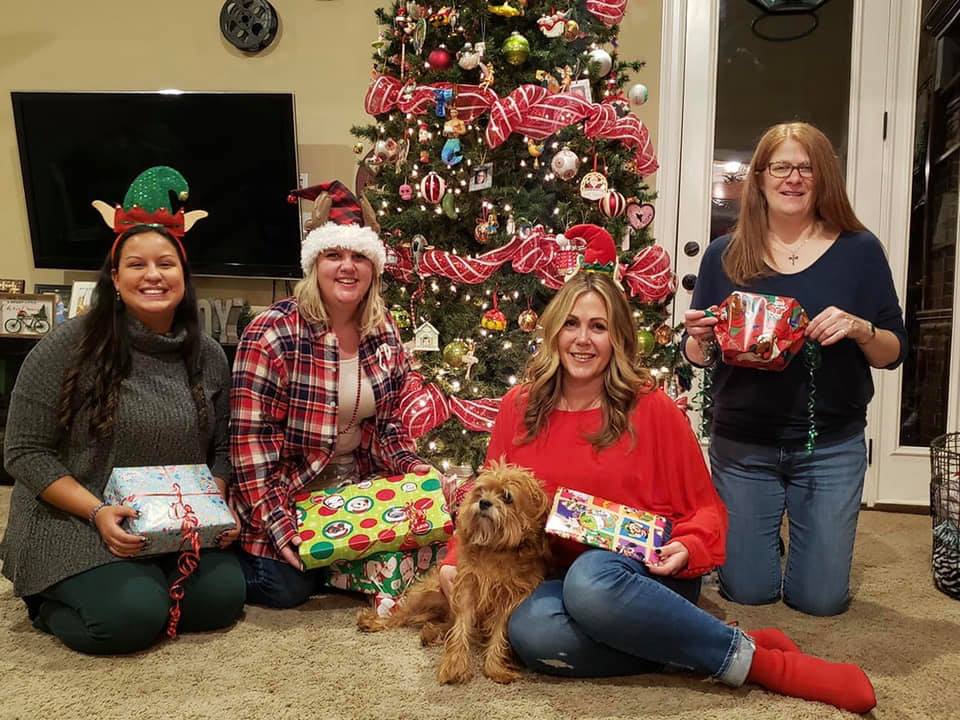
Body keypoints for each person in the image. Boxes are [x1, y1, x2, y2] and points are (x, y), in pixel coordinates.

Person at [439, 225, 877, 713]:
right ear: (553, 331)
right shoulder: (519, 408)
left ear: (619, 339)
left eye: (599, 327)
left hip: (645, 575)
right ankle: (700, 642)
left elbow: (704, 510)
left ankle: (760, 664)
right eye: (571, 324)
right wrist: (455, 559)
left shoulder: (652, 409)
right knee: (530, 634)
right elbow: (485, 498)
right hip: (550, 576)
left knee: (590, 580)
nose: (582, 340)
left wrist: (687, 546)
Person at [0, 167, 245, 655]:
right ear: (115, 277)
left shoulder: (208, 355)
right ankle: (44, 601)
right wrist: (96, 512)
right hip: (76, 518)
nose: (153, 275)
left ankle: (140, 581)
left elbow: (221, 449)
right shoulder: (68, 347)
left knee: (221, 599)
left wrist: (212, 509)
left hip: (169, 523)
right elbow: (23, 451)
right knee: (130, 619)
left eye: (166, 264)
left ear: (184, 276)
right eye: (136, 265)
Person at [683, 122, 907, 617]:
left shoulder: (860, 250)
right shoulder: (724, 254)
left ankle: (798, 542)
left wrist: (861, 328)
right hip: (742, 446)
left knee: (820, 601)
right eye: (780, 167)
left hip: (829, 445)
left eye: (806, 167)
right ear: (760, 177)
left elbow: (892, 353)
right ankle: (764, 540)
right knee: (749, 592)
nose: (793, 178)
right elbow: (696, 354)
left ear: (824, 177)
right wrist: (698, 339)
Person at [231, 181, 432, 609]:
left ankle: (337, 564)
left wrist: (415, 470)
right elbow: (251, 448)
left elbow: (389, 426)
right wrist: (278, 524)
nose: (347, 267)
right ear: (314, 263)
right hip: (287, 491)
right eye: (334, 255)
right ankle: (227, 562)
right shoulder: (272, 332)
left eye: (359, 256)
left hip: (355, 488)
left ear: (374, 267)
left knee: (419, 546)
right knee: (288, 586)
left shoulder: (383, 328)